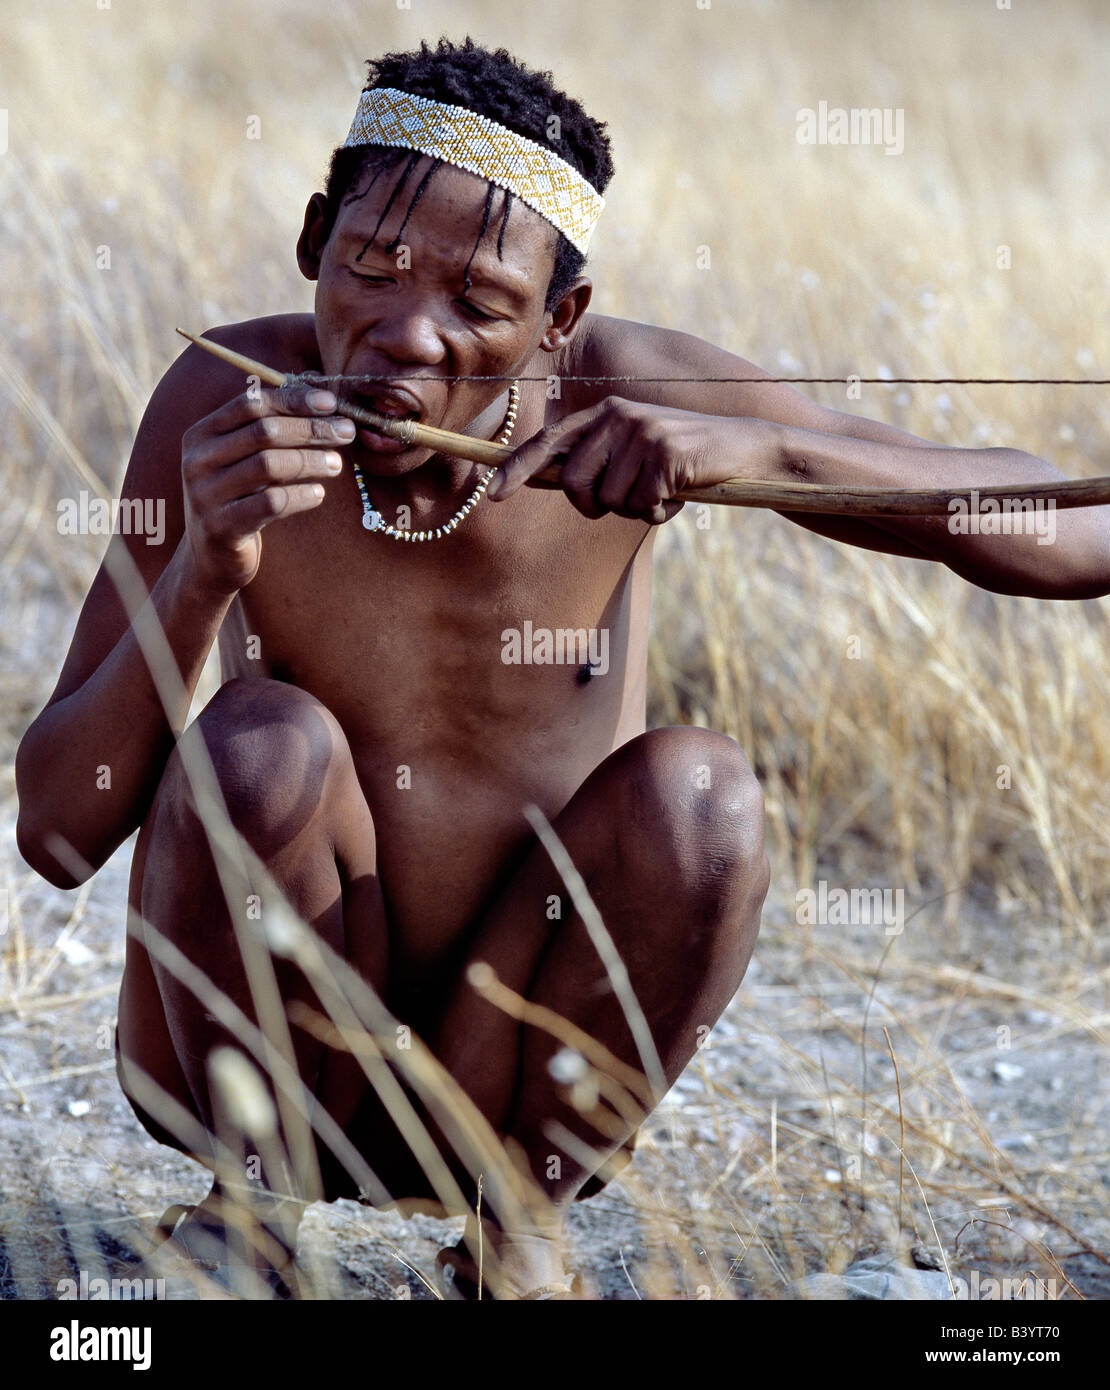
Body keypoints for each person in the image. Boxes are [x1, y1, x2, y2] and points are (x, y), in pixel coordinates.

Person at [15, 36, 1110, 1299]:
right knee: (261, 743)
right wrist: (204, 563)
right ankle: (253, 1210)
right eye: (371, 268)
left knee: (701, 796)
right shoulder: (223, 397)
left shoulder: (628, 394)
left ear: (560, 321)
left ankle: (513, 1228)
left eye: (479, 304)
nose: (406, 338)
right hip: (265, 1067)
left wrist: (746, 455)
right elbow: (54, 837)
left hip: (519, 1064)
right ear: (314, 237)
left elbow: (1079, 534)